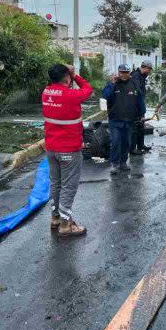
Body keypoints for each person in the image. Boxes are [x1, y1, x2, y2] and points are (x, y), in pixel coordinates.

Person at [42, 64, 92, 237]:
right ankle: (65, 225)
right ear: (66, 77)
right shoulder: (72, 95)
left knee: (55, 183)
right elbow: (88, 89)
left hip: (51, 148)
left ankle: (55, 218)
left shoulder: (46, 92)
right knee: (68, 187)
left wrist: (68, 76)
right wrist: (75, 74)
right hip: (69, 149)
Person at [102, 64, 146, 175]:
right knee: (116, 142)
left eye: (126, 72)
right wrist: (112, 83)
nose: (124, 74)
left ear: (129, 73)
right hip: (115, 120)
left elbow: (140, 98)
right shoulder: (113, 84)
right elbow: (105, 95)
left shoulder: (134, 83)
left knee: (127, 142)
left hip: (130, 120)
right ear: (118, 72)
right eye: (122, 72)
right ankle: (115, 163)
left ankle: (123, 162)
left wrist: (142, 113)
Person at [130, 60, 153, 155]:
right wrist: (141, 107)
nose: (150, 72)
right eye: (149, 69)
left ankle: (140, 145)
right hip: (135, 104)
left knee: (141, 126)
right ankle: (132, 149)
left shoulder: (142, 76)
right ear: (146, 68)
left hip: (140, 103)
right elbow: (137, 91)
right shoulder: (135, 75)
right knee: (135, 126)